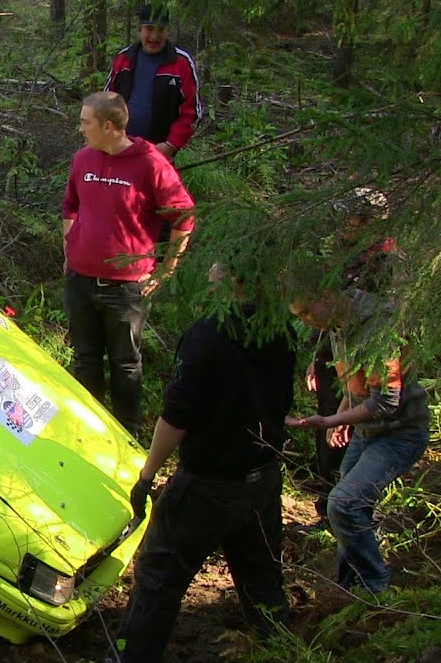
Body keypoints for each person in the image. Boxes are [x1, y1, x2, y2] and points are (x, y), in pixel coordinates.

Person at [115, 270, 295, 662]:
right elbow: (282, 401)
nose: (209, 270)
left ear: (231, 274)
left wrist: (147, 476)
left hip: (207, 487)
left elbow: (177, 417)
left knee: (158, 582)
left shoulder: (206, 335)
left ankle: (130, 656)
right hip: (262, 479)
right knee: (263, 583)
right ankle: (282, 651)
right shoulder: (279, 327)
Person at [62, 91, 195, 435]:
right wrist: (69, 250)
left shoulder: (151, 164)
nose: (80, 129)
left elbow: (183, 217)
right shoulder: (83, 159)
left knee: (124, 364)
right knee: (85, 359)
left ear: (109, 126)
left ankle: (126, 435)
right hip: (80, 281)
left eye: (85, 122)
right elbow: (70, 207)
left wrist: (167, 269)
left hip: (125, 287)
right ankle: (88, 431)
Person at [288, 289, 431, 593]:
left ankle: (376, 584)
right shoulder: (339, 324)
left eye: (306, 312)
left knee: (343, 503)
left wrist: (332, 420)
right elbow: (358, 382)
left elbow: (387, 401)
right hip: (370, 430)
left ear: (326, 297)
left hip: (400, 432)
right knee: (348, 505)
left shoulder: (375, 326)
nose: (305, 321)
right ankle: (349, 586)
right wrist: (345, 414)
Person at [305, 187, 400, 524]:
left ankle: (347, 511)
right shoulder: (343, 253)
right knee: (327, 427)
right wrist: (316, 355)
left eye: (353, 217)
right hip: (333, 353)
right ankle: (326, 505)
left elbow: (384, 321)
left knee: (351, 430)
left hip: (365, 364)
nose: (345, 224)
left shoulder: (385, 262)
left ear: (371, 223)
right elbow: (324, 308)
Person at [105, 4, 202, 160]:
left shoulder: (181, 63)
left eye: (160, 30)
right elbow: (106, 103)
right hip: (121, 148)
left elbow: (192, 112)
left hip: (159, 154)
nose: (154, 37)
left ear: (167, 32)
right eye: (149, 29)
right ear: (139, 30)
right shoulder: (124, 59)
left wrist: (171, 144)